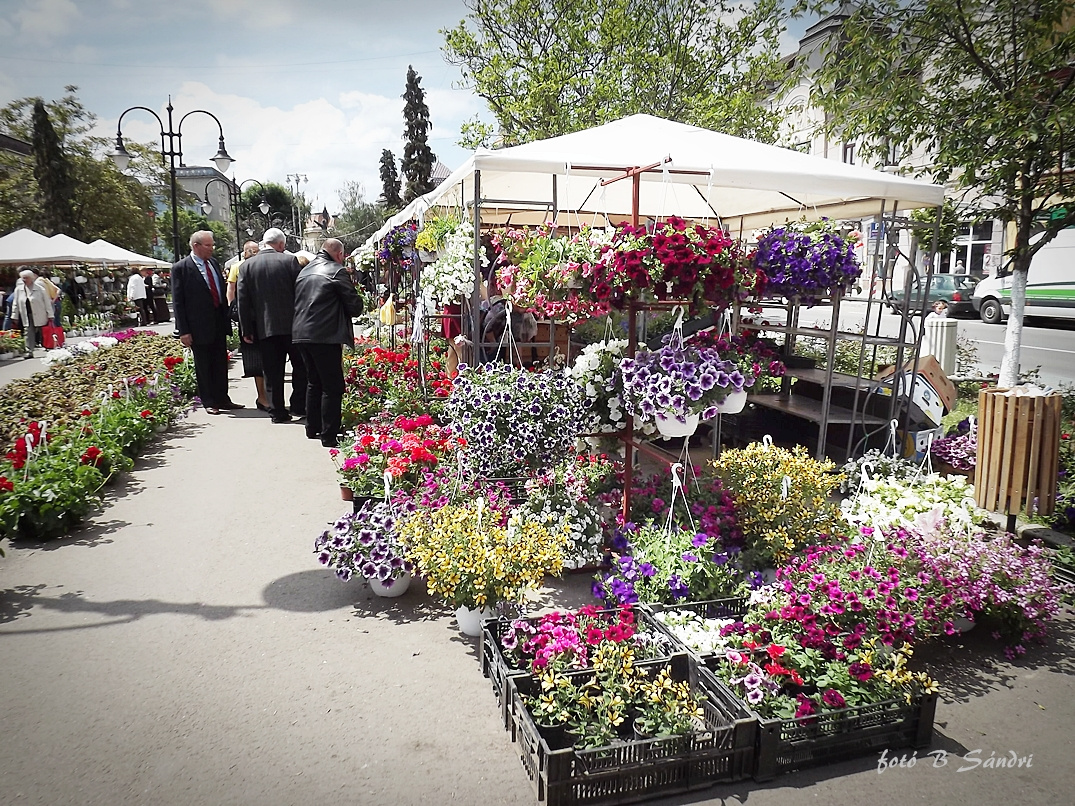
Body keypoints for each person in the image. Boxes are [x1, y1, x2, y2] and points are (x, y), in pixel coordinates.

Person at [292, 238, 363, 447]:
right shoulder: (336, 270)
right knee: (332, 385)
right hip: (324, 334)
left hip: (301, 332)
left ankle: (312, 427)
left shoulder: (305, 271)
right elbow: (354, 305)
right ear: (339, 254)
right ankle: (329, 434)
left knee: (314, 381)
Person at [237, 228, 307, 424]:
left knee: (272, 371)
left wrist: (246, 329)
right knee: (300, 367)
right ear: (281, 244)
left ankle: (277, 411)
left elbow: (243, 301)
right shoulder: (289, 261)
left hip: (264, 328)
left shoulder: (247, 266)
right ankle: (298, 404)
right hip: (293, 326)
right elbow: (301, 292)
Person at [171, 230, 244, 415]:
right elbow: (178, 302)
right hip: (197, 326)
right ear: (196, 246)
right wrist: (183, 331)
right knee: (203, 365)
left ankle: (223, 398)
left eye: (212, 244)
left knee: (220, 363)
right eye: (208, 245)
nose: (212, 248)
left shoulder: (212, 263)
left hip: (218, 322)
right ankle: (209, 401)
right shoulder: (181, 268)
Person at [227, 240, 270, 411]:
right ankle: (262, 396)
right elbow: (232, 289)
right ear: (244, 252)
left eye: (256, 250)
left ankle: (267, 395)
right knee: (256, 360)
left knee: (267, 358)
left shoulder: (263, 264)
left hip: (262, 317)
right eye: (250, 250)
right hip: (250, 318)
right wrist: (233, 310)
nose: (253, 252)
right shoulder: (238, 267)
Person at [11, 268, 53, 358]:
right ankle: (29, 351)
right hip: (27, 314)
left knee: (43, 331)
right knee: (28, 332)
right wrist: (15, 316)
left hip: (40, 313)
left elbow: (47, 302)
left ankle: (49, 347)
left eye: (26, 278)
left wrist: (50, 314)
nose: (24, 280)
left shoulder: (40, 289)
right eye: (22, 278)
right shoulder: (18, 290)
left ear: (31, 278)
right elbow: (16, 303)